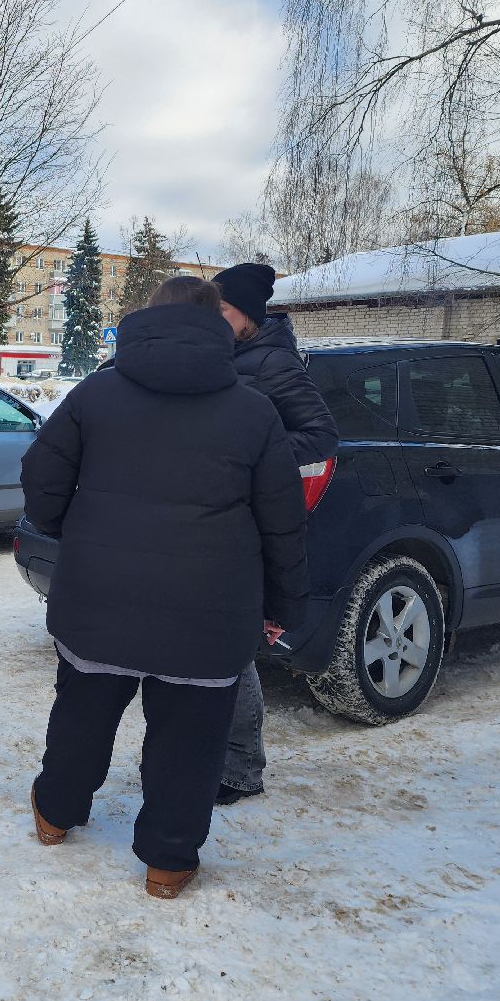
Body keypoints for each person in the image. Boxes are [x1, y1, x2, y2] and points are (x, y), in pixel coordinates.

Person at [22, 276, 308, 900]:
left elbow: (41, 474)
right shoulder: (254, 411)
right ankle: (168, 863)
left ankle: (54, 815)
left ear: (146, 321)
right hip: (207, 614)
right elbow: (283, 521)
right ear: (218, 327)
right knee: (190, 738)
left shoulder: (94, 395)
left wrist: (62, 528)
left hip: (99, 599)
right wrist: (282, 604)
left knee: (82, 714)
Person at [213, 262, 339, 806]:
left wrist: (251, 457)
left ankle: (241, 769)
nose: (215, 319)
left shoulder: (273, 362)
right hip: (225, 517)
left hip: (252, 522)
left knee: (235, 651)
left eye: (223, 310)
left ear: (248, 315)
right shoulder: (237, 356)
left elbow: (321, 436)